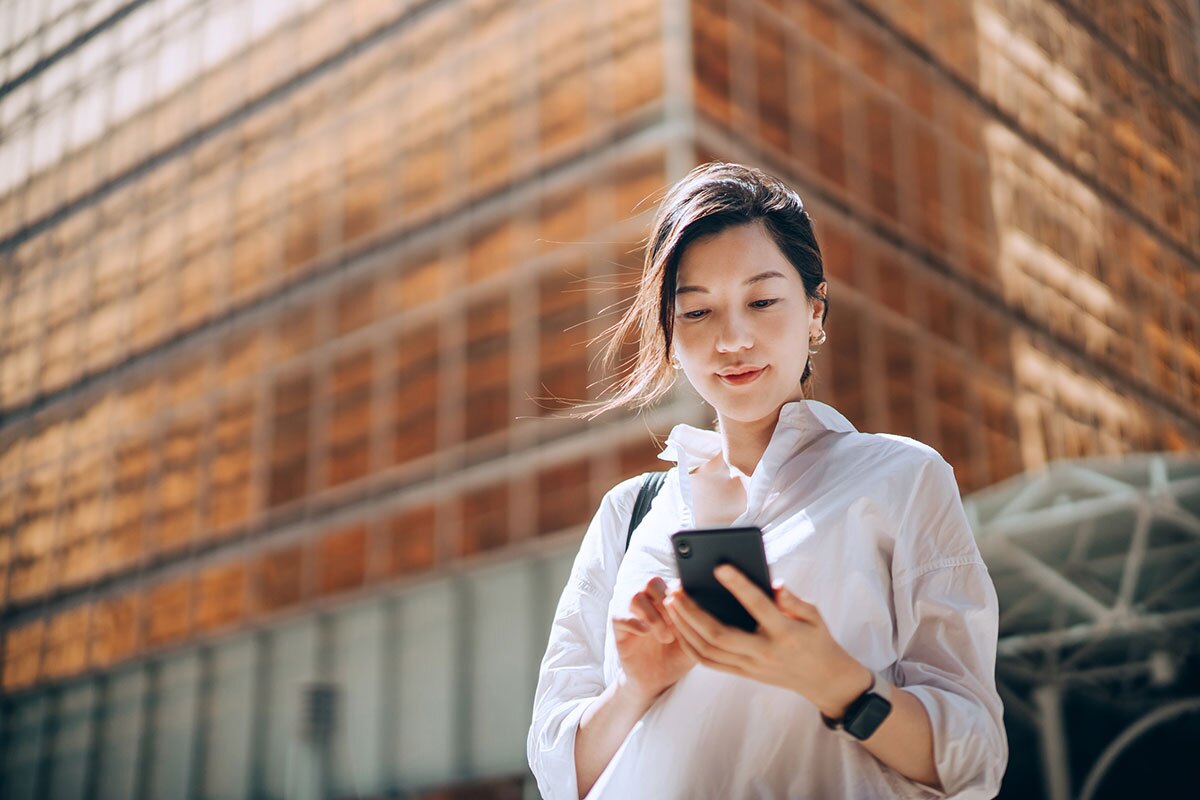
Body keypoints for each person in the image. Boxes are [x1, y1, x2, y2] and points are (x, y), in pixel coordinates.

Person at [526, 162, 1007, 799]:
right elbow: (559, 773)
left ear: (814, 309)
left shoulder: (901, 479)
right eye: (697, 311)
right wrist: (634, 687)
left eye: (761, 302)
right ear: (670, 333)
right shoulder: (630, 512)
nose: (732, 340)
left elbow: (973, 757)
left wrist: (837, 683)